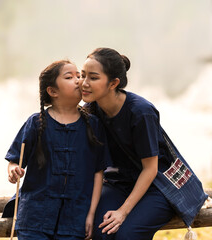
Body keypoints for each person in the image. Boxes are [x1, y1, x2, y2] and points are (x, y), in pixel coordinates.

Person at [79, 47, 208, 240]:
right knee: (100, 230)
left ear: (113, 83)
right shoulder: (90, 110)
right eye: (82, 75)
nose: (84, 83)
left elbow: (150, 169)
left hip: (159, 185)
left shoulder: (140, 112)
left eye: (93, 78)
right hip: (119, 182)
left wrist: (122, 212)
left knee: (127, 235)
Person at [4, 59, 111, 239]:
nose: (78, 80)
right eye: (70, 77)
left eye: (80, 75)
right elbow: (15, 159)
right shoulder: (36, 123)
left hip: (75, 219)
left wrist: (91, 214)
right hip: (34, 219)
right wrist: (13, 169)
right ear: (53, 91)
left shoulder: (93, 125)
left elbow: (98, 173)